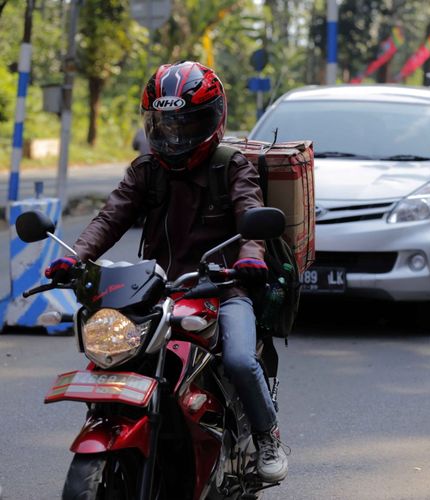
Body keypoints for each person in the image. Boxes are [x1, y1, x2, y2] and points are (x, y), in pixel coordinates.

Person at [43, 61, 288, 483]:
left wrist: (251, 259)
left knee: (240, 360)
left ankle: (267, 436)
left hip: (224, 287)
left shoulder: (230, 166)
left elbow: (251, 213)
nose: (174, 136)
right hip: (157, 289)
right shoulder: (147, 171)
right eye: (164, 124)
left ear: (212, 120)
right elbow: (110, 218)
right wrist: (76, 256)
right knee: (117, 354)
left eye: (186, 124)